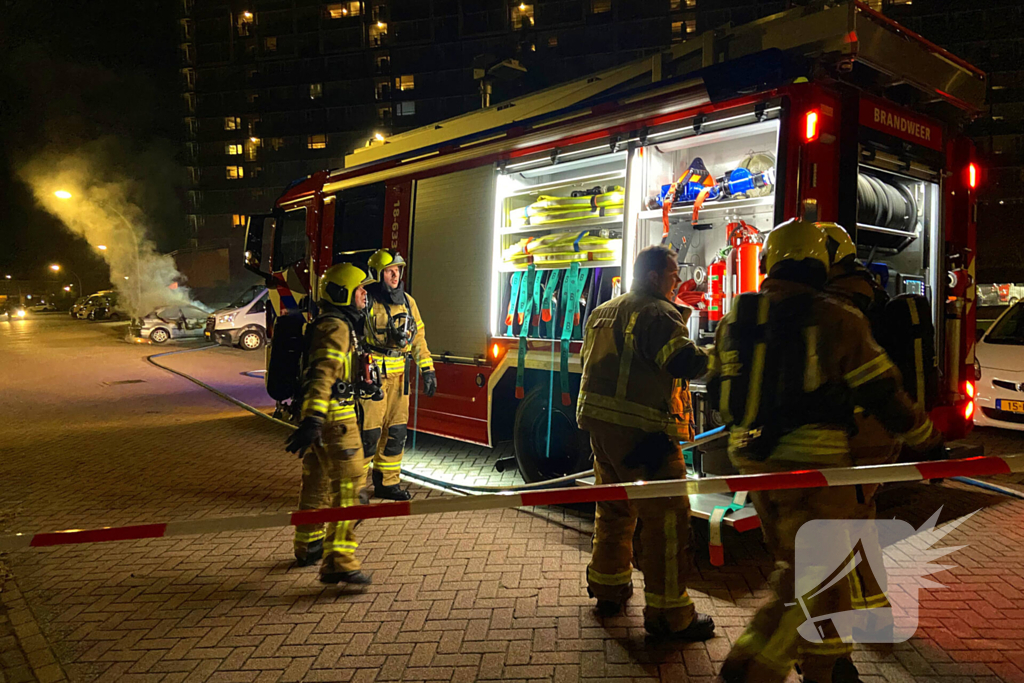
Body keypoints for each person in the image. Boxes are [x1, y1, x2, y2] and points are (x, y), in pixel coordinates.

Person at [708, 219, 945, 683]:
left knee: (804, 569)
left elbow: (718, 388)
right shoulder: (838, 317)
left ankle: (818, 666)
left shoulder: (736, 317)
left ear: (770, 261)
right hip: (816, 469)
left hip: (751, 463)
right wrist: (929, 444)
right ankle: (754, 669)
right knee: (817, 578)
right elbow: (883, 393)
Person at [576, 244, 715, 641]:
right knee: (667, 522)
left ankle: (608, 588)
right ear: (654, 277)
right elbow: (683, 362)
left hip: (603, 431)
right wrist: (726, 354)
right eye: (673, 276)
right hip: (645, 435)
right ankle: (670, 616)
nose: (678, 283)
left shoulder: (604, 310)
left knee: (614, 511)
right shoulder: (656, 312)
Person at [286, 262, 376, 585]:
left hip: (323, 417)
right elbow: (323, 374)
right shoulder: (337, 327)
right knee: (352, 489)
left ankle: (308, 545)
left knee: (316, 483)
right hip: (337, 419)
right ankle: (339, 560)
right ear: (343, 293)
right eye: (360, 289)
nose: (365, 295)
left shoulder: (327, 323)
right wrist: (314, 418)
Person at [359, 249, 436, 501]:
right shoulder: (366, 300)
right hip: (372, 380)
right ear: (377, 274)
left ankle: (387, 483)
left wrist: (427, 369)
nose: (395, 276)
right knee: (368, 435)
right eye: (389, 271)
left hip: (400, 381)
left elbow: (418, 339)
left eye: (398, 270)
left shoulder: (408, 303)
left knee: (396, 433)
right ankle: (354, 488)